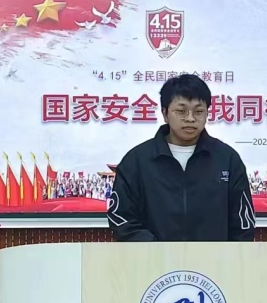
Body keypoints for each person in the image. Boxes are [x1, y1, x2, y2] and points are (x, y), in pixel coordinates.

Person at [107, 74, 256, 241]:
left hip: (215, 258)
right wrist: (156, 250)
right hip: (152, 257)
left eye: (198, 111)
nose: (190, 118)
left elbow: (243, 227)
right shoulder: (137, 161)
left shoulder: (227, 160)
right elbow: (122, 219)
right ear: (165, 113)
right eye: (181, 111)